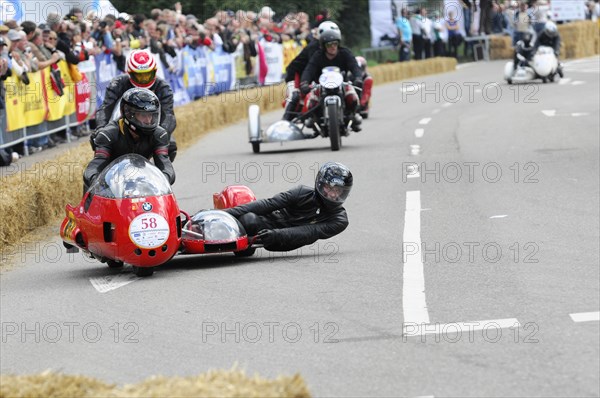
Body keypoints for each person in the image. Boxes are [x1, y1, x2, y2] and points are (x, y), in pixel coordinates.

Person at [224, 162, 352, 252]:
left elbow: (310, 232)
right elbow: (269, 204)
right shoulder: (301, 192)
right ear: (320, 184)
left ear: (344, 192)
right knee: (249, 220)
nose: (332, 195)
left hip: (289, 241)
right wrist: (225, 214)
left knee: (251, 225)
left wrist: (276, 235)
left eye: (338, 191)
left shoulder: (340, 220)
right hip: (270, 225)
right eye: (329, 188)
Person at [83, 88, 175, 192]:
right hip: (110, 185)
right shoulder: (107, 134)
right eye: (143, 115)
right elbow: (93, 168)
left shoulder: (159, 134)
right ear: (128, 113)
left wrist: (163, 181)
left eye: (151, 115)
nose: (149, 121)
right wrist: (98, 185)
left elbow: (165, 165)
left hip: (142, 181)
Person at [93, 49, 178, 161]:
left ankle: (161, 173)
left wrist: (162, 133)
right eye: (140, 76)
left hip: (151, 129)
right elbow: (105, 108)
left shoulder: (163, 87)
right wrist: (101, 128)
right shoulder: (117, 83)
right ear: (130, 73)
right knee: (97, 138)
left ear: (154, 72)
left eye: (147, 75)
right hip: (124, 128)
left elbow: (169, 115)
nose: (143, 80)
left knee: (170, 144)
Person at [300, 28, 363, 132]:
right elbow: (309, 69)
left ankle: (353, 115)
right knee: (311, 103)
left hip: (342, 84)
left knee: (353, 98)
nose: (333, 47)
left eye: (335, 43)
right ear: (324, 46)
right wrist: (304, 82)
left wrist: (358, 77)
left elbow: (354, 66)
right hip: (322, 86)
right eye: (329, 45)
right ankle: (314, 119)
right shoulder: (318, 56)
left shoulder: (345, 53)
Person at [282, 21, 340, 121]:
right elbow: (312, 68)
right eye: (329, 37)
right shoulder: (314, 47)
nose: (332, 41)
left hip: (311, 74)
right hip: (296, 74)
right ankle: (285, 120)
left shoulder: (336, 47)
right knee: (296, 96)